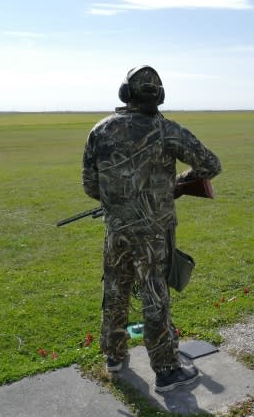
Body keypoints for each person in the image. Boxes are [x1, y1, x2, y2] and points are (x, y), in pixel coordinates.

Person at [82, 65, 221, 392]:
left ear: (125, 93)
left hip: (116, 230)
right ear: (158, 96)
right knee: (154, 295)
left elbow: (90, 186)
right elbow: (210, 165)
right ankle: (166, 370)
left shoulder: (100, 131)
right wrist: (177, 183)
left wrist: (123, 197)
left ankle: (114, 356)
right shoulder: (168, 130)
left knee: (115, 290)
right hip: (155, 233)